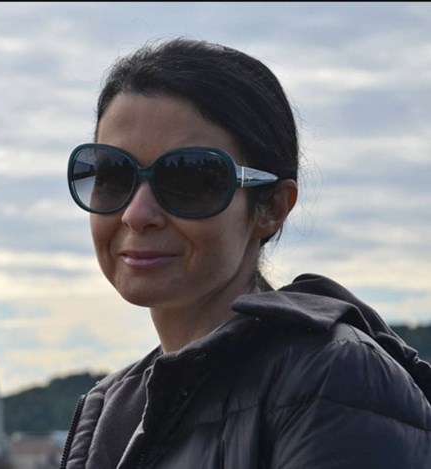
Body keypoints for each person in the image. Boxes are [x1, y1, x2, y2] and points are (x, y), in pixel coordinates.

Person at [60, 37, 431, 469]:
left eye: (189, 178)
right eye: (113, 174)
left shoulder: (334, 381)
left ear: (271, 207)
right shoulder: (110, 412)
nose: (137, 214)